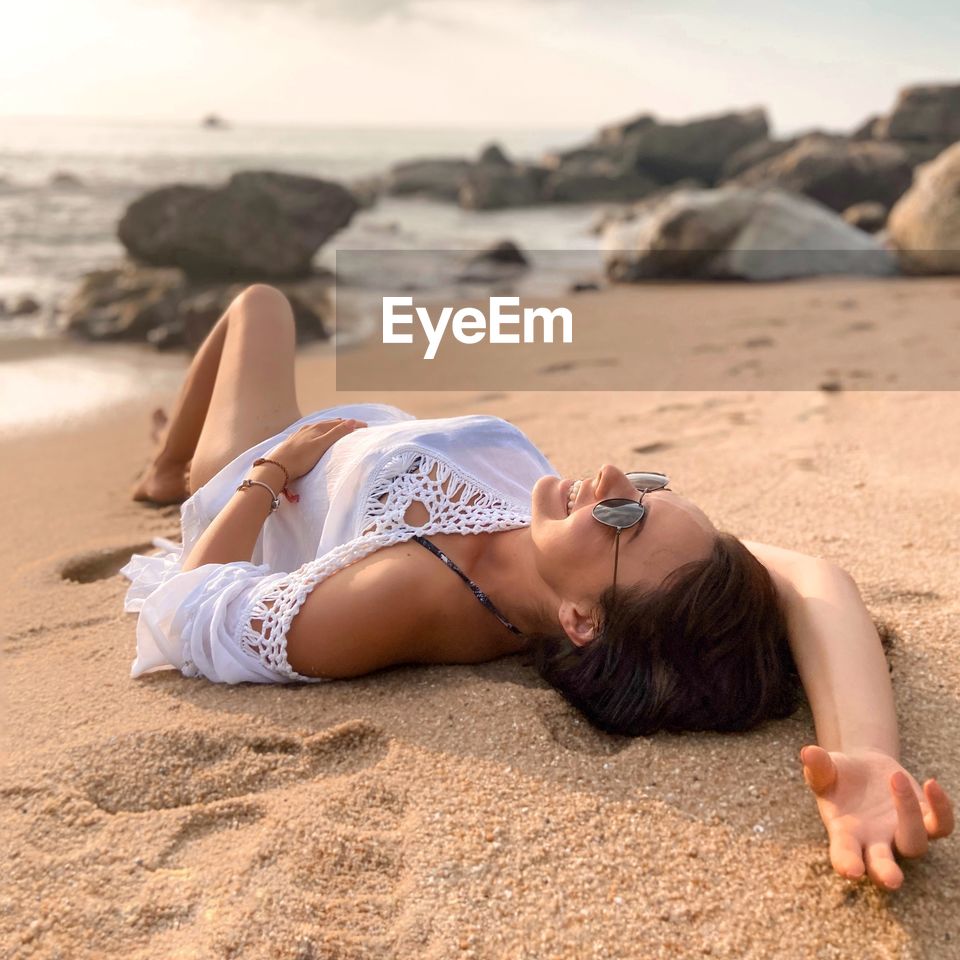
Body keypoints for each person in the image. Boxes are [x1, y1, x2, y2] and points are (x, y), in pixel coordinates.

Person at [124, 283, 953, 892]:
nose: (614, 477)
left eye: (624, 516)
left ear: (582, 620)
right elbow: (815, 581)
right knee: (265, 306)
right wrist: (869, 758)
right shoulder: (596, 553)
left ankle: (172, 468)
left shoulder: (407, 594)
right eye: (651, 487)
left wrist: (271, 471)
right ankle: (168, 449)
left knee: (260, 303)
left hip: (264, 482)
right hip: (353, 440)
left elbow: (194, 608)